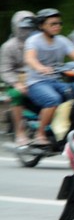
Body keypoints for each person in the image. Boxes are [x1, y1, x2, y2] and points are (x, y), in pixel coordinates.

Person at [24, 9, 74, 146]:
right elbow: (30, 58)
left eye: (59, 23)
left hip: (55, 81)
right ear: (42, 26)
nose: (57, 26)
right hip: (37, 82)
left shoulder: (62, 41)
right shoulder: (34, 41)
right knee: (53, 100)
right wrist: (40, 68)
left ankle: (66, 129)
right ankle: (40, 133)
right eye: (53, 23)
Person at [0, 11, 37, 145]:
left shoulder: (39, 42)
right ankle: (20, 132)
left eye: (30, 27)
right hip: (17, 81)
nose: (27, 31)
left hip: (38, 78)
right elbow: (5, 70)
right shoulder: (8, 47)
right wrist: (17, 83)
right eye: (24, 27)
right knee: (16, 95)